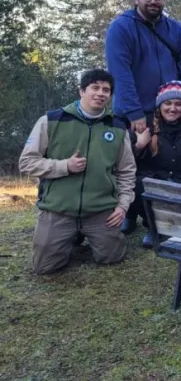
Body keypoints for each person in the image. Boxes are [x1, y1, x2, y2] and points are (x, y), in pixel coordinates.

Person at [18, 69, 136, 275]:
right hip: (59, 209)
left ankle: (85, 235)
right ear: (82, 91)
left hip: (100, 210)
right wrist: (64, 166)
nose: (101, 93)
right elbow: (27, 162)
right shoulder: (51, 120)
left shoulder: (117, 127)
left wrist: (123, 206)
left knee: (112, 257)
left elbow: (126, 171)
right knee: (44, 268)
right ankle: (68, 236)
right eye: (95, 88)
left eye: (106, 90)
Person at [105, 0, 181, 134]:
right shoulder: (120, 28)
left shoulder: (176, 29)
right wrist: (134, 112)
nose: (153, 1)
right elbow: (120, 73)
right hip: (134, 116)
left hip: (170, 113)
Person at [125, 81, 181, 249]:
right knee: (135, 184)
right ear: (160, 105)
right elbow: (124, 162)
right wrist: (139, 146)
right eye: (168, 103)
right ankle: (154, 227)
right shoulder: (145, 125)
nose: (172, 108)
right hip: (156, 180)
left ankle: (177, 226)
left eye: (178, 104)